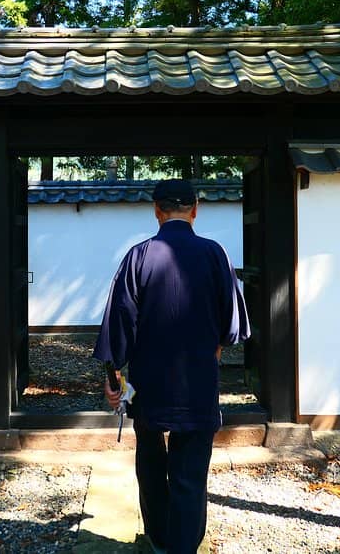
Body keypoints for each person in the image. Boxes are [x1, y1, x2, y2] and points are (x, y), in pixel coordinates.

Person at [94, 178, 250, 554]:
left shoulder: (139, 256)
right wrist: (213, 346)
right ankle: (183, 545)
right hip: (197, 380)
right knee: (191, 472)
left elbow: (119, 325)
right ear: (195, 210)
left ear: (156, 211)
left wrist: (113, 379)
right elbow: (233, 327)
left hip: (150, 382)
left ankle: (159, 539)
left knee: (150, 463)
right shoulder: (216, 255)